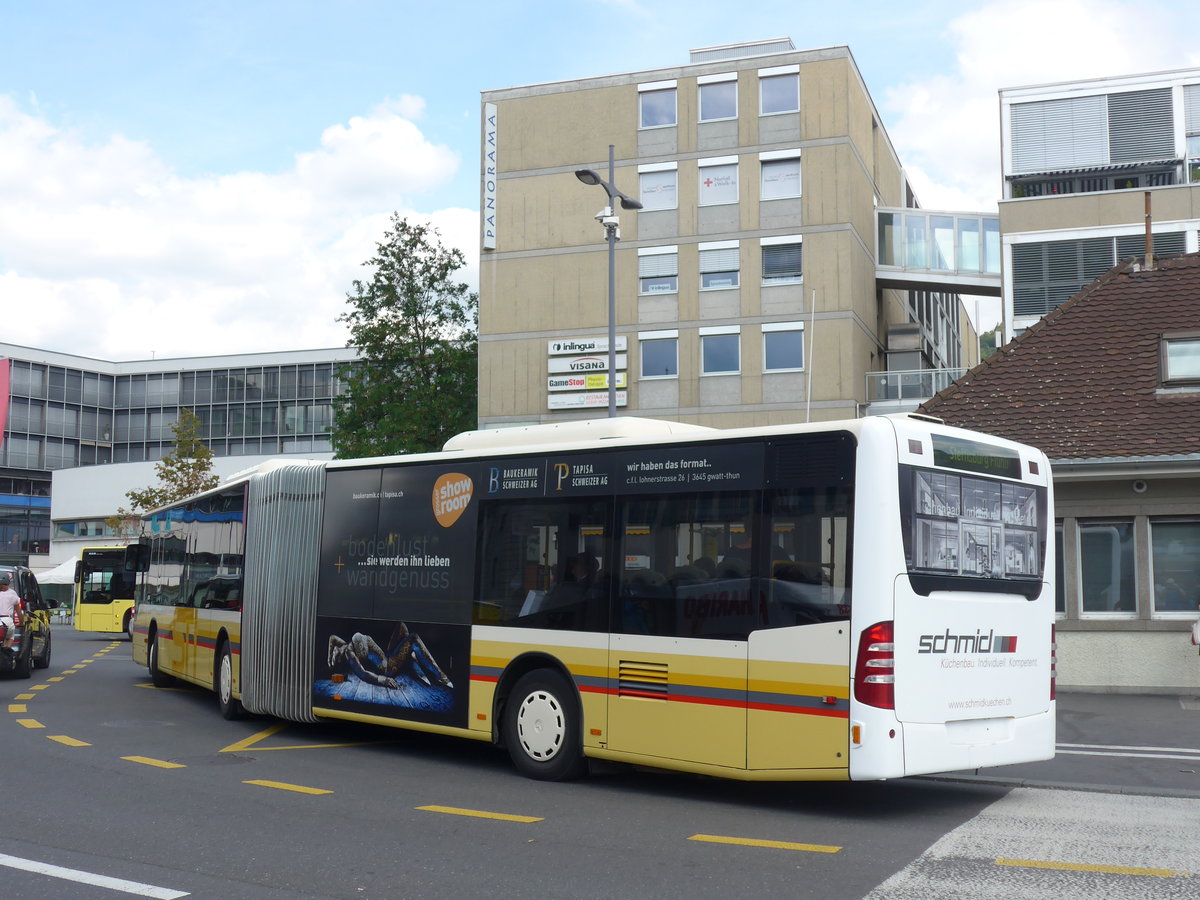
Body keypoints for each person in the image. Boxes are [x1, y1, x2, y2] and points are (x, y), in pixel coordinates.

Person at [0, 575, 20, 649]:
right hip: (7, 621)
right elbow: (18, 611)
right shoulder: (12, 593)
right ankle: (7, 652)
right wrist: (21, 622)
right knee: (10, 637)